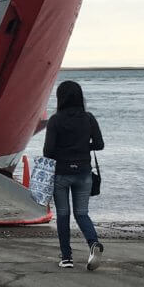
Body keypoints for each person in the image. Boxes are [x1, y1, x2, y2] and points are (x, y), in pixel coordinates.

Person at [43, 80, 105, 270]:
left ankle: (67, 258)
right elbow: (99, 144)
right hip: (84, 172)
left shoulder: (55, 120)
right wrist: (83, 146)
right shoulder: (88, 118)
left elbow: (48, 151)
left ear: (60, 98)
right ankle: (93, 243)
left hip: (61, 173)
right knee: (82, 213)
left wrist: (64, 150)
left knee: (63, 215)